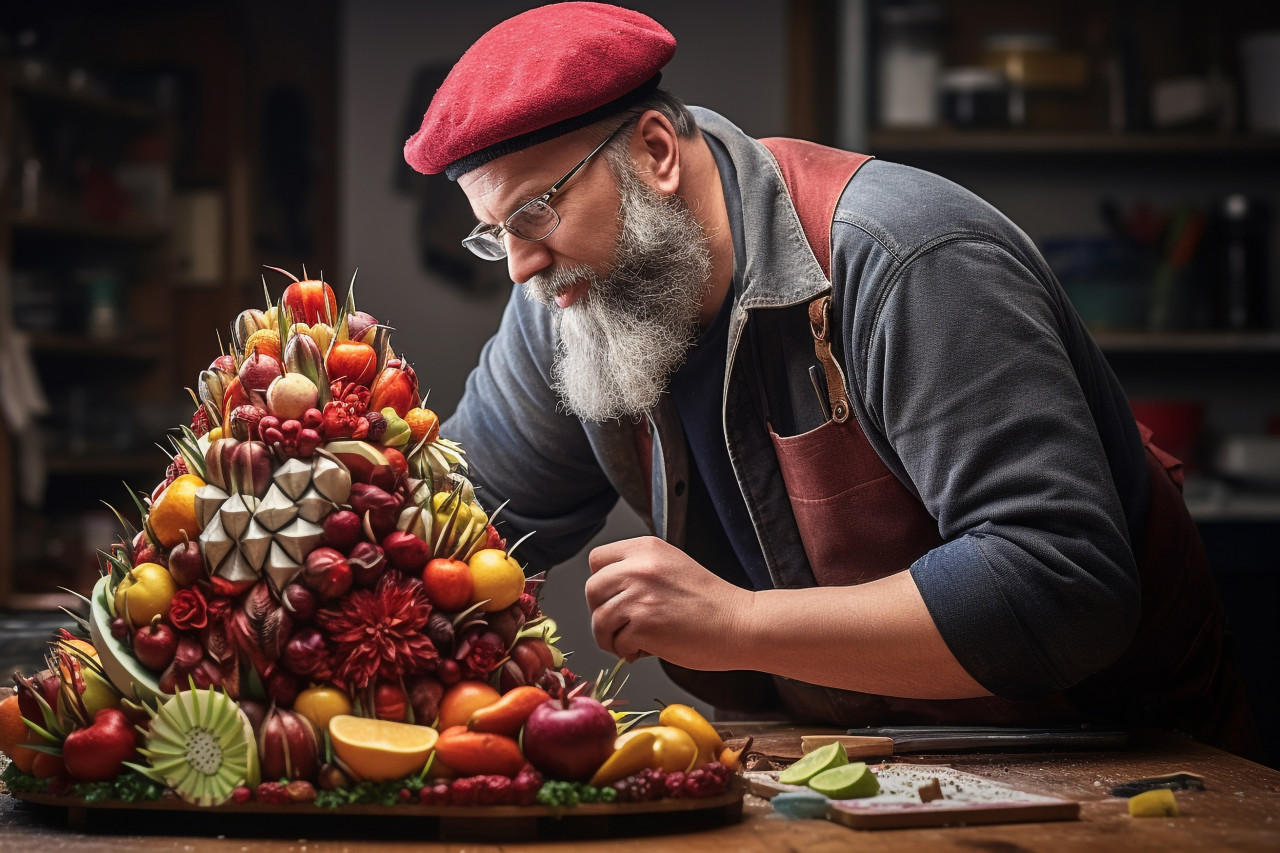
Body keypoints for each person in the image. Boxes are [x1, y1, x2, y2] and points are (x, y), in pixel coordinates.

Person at [404, 3, 1257, 755]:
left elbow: (1061, 581)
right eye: (494, 233)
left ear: (657, 152)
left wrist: (736, 624)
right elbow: (449, 531)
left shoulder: (909, 258)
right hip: (853, 760)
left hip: (1120, 755)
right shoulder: (572, 295)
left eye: (534, 213)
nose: (519, 268)